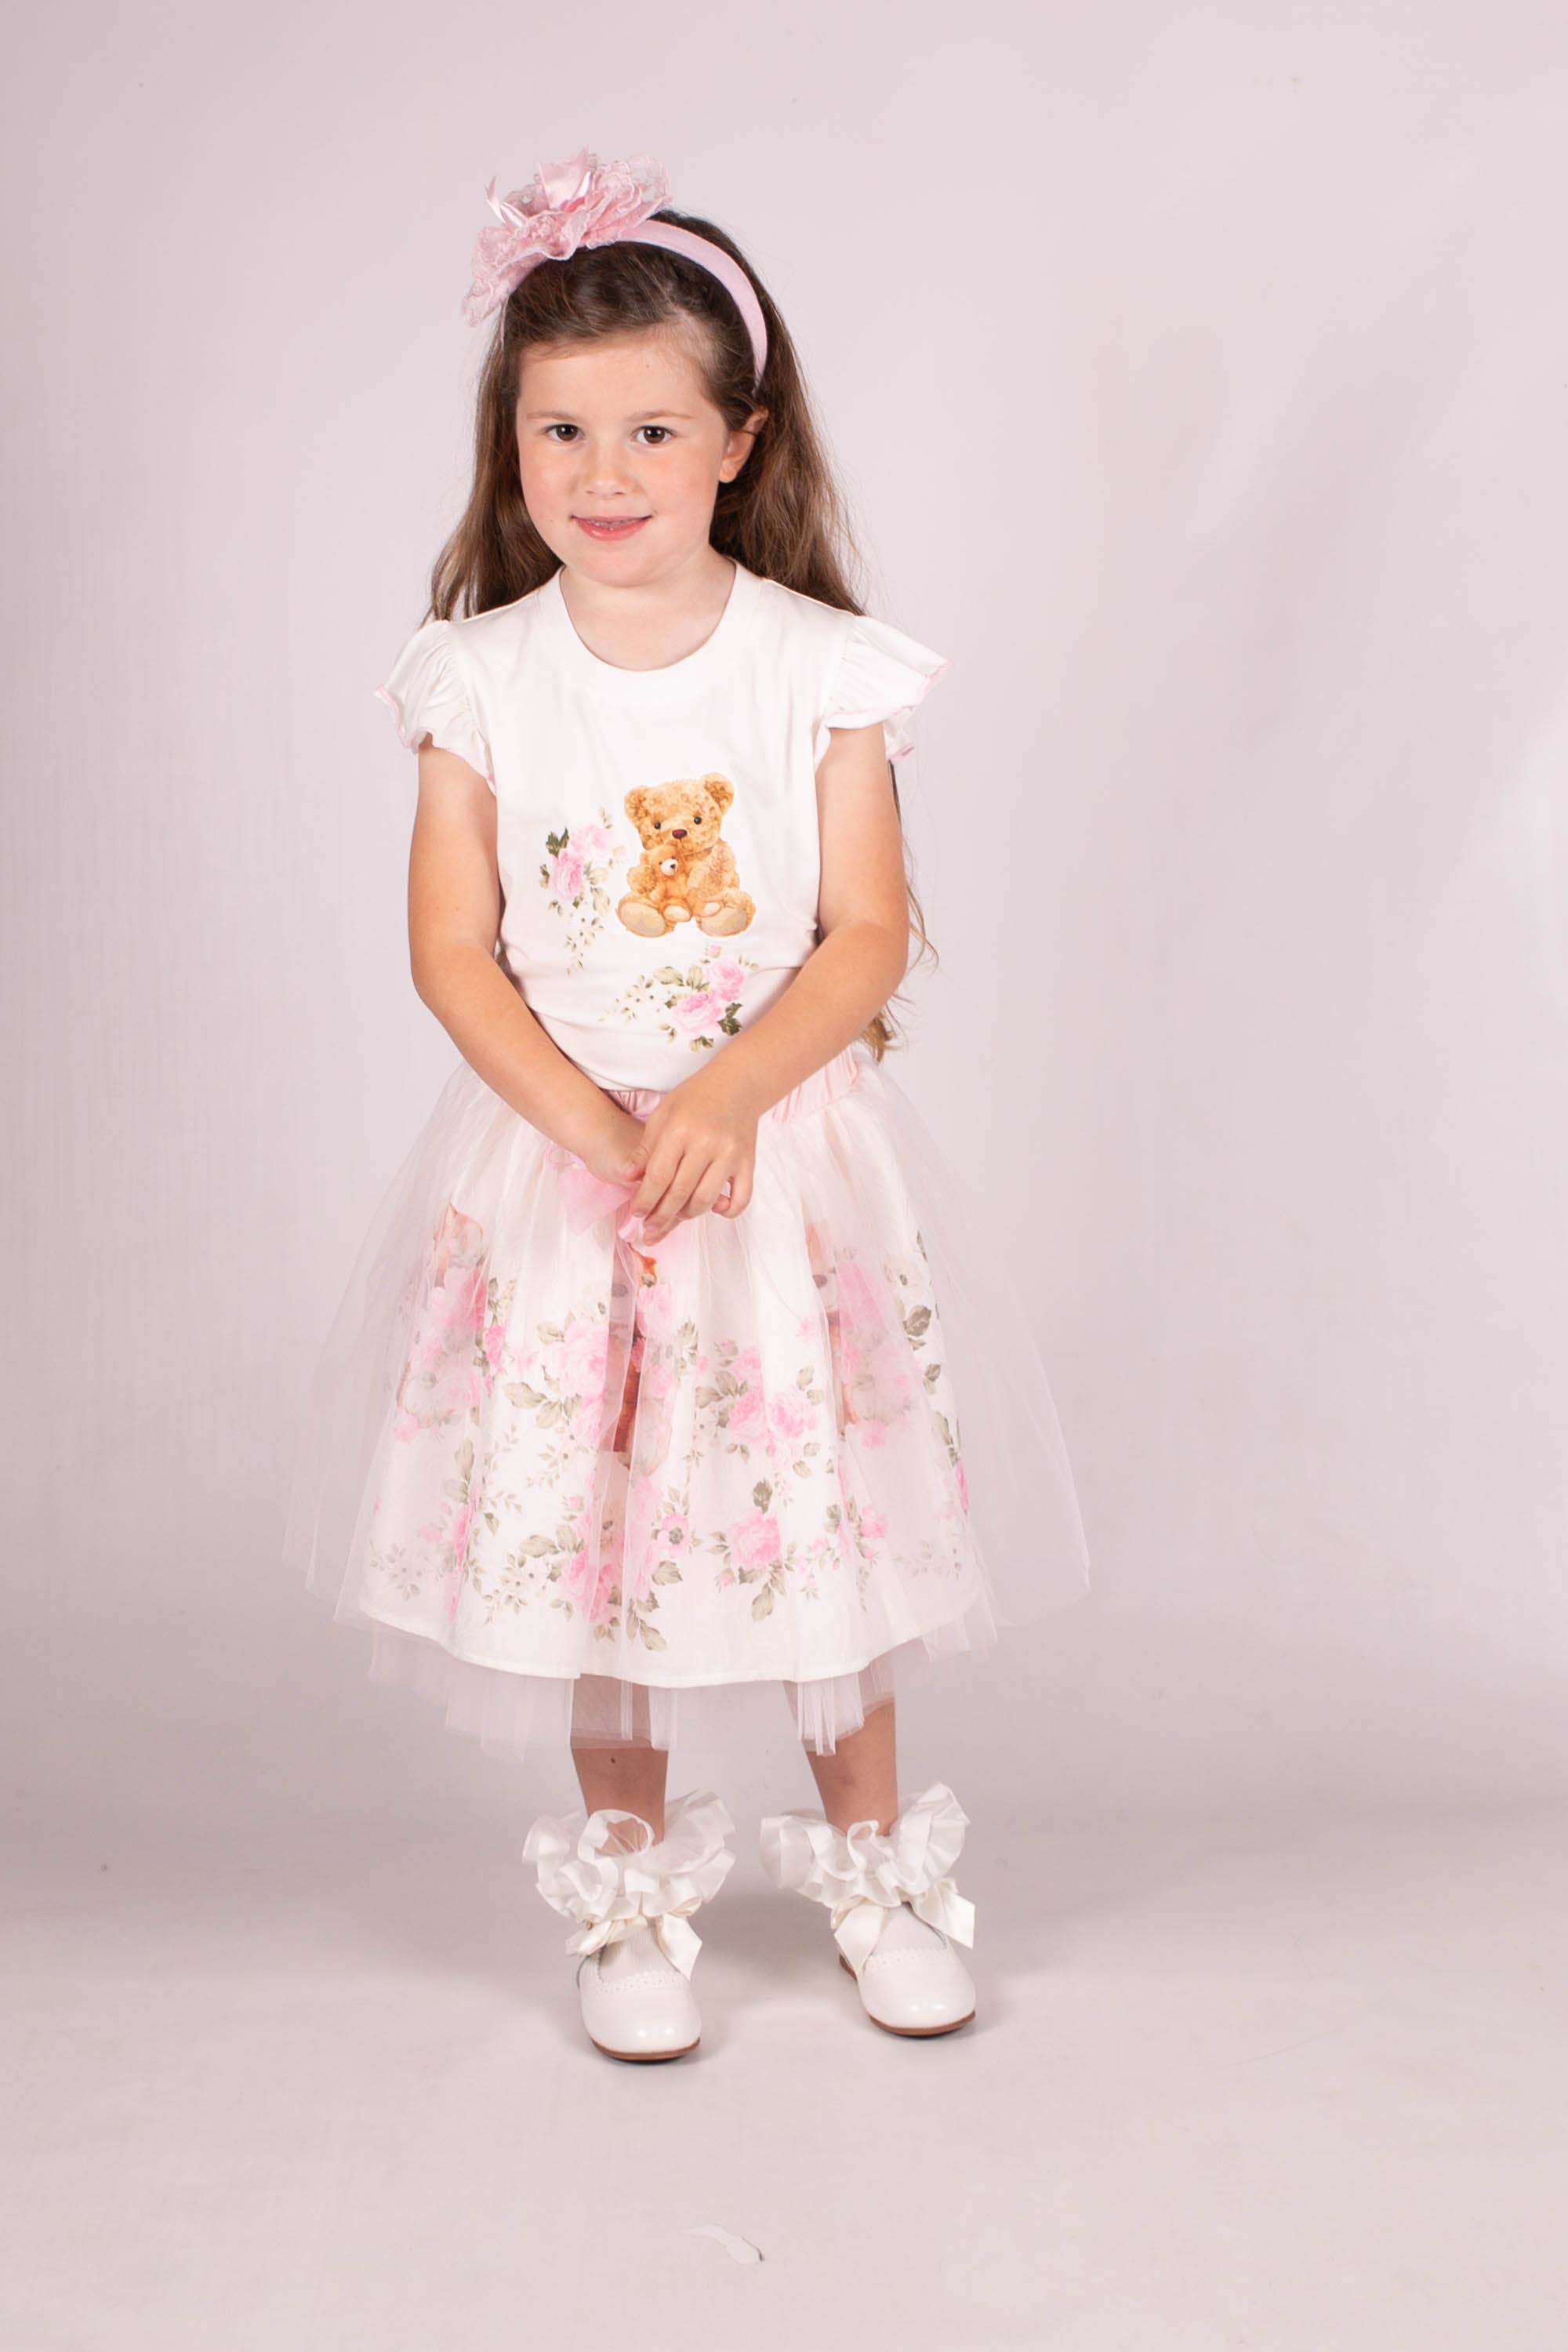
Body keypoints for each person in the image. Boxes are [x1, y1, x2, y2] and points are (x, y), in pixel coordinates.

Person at [285, 148, 1092, 2062]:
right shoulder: (477, 679)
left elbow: (863, 932)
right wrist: (596, 1134)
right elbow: (454, 954)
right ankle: (629, 1899)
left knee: (821, 1515)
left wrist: (725, 1098)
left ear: (737, 441)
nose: (603, 470)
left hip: (778, 1162)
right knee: (599, 1531)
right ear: (509, 448)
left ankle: (878, 1874)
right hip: (571, 1169)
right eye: (558, 430)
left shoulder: (816, 668)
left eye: (651, 428)